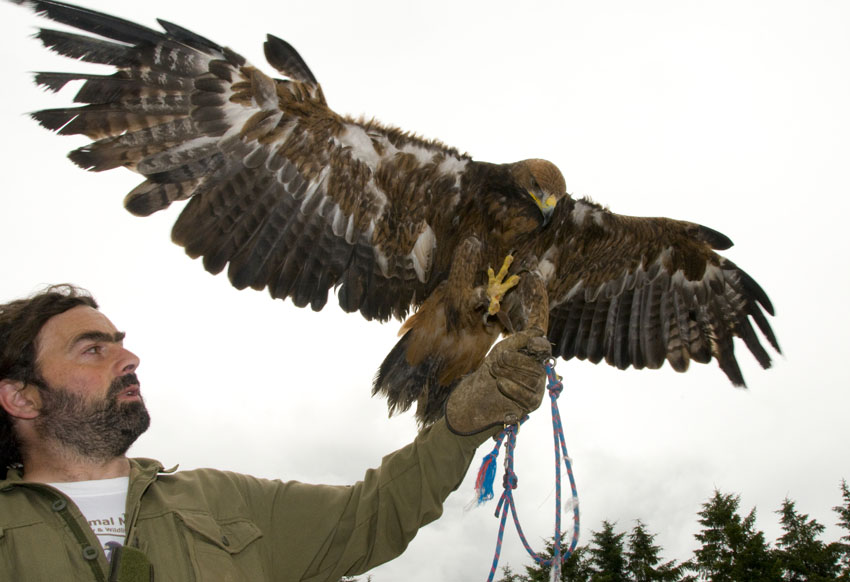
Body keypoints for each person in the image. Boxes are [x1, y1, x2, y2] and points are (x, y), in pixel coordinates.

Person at [0, 284, 551, 581]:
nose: (130, 358)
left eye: (120, 341)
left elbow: (373, 515)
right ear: (21, 396)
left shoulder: (220, 503)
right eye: (93, 349)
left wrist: (460, 425)